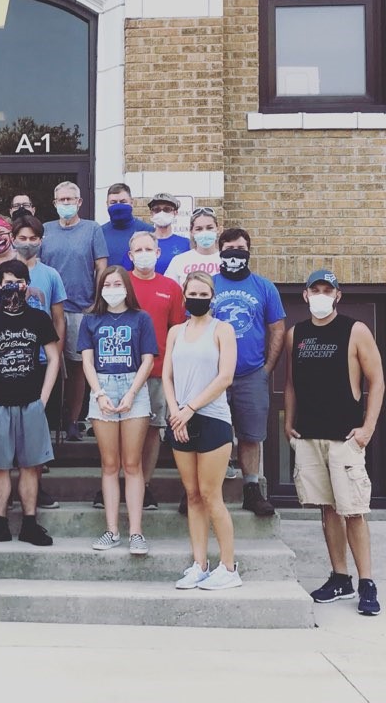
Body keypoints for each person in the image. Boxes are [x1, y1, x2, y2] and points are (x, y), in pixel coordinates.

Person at [284, 270, 383, 615]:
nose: (322, 294)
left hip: (346, 436)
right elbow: (292, 383)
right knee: (327, 509)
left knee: (353, 510)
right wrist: (289, 422)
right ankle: (339, 577)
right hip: (310, 436)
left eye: (329, 289)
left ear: (338, 295)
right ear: (306, 294)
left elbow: (377, 380)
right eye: (316, 289)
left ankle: (367, 582)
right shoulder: (295, 334)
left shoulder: (355, 330)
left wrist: (367, 428)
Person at [0, 261, 60, 546]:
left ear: (26, 284)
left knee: (31, 466)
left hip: (31, 401)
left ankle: (30, 524)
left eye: (19, 281)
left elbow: (54, 358)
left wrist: (44, 398)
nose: (13, 287)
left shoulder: (38, 319)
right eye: (7, 282)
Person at [163, 271, 241, 590]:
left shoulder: (223, 329)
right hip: (180, 420)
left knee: (211, 495)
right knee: (192, 495)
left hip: (212, 419)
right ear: (184, 298)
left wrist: (190, 408)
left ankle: (229, 566)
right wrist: (175, 412)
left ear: (212, 296)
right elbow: (166, 376)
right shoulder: (175, 332)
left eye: (203, 293)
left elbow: (225, 377)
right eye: (191, 293)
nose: (197, 297)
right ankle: (199, 564)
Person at [79, 266, 157, 554]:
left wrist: (132, 392)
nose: (112, 288)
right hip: (102, 388)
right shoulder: (91, 320)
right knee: (110, 464)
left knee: (132, 464)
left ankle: (136, 532)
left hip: (133, 386)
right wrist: (98, 394)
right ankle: (112, 531)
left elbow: (148, 359)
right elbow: (87, 361)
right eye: (107, 283)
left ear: (127, 286)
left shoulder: (141, 318)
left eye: (117, 283)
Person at [212, 227, 285, 517]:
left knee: (251, 435)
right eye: (229, 248)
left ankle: (252, 490)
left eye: (240, 248)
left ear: (249, 251)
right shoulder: (209, 284)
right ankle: (206, 491)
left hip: (250, 373)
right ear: (220, 251)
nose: (234, 253)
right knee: (212, 433)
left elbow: (277, 328)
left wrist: (266, 368)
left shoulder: (264, 287)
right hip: (214, 375)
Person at [39, 181, 108, 441]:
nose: (65, 204)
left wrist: (97, 300)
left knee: (78, 366)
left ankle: (72, 420)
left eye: (70, 199)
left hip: (81, 308)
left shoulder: (92, 229)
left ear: (79, 202)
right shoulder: (45, 230)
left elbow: (101, 266)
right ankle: (48, 419)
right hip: (49, 309)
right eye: (61, 200)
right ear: (54, 202)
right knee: (49, 364)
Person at [126, 232, 186, 510]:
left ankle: (145, 485)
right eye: (138, 249)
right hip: (122, 371)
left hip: (159, 371)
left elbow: (177, 330)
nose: (143, 253)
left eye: (148, 248)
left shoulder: (172, 288)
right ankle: (118, 483)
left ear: (158, 253)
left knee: (152, 430)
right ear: (130, 256)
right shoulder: (121, 283)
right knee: (120, 430)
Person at [126, 192, 190, 274]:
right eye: (157, 210)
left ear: (175, 212)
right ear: (151, 213)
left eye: (167, 209)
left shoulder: (185, 243)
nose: (161, 213)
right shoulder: (141, 242)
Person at [164, 207, 222, 286]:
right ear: (191, 232)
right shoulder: (179, 261)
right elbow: (169, 290)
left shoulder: (226, 259)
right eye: (199, 229)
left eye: (209, 228)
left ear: (218, 229)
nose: (204, 232)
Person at [101, 183, 154, 266]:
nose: (118, 206)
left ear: (132, 203)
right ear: (107, 204)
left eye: (123, 202)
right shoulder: (99, 233)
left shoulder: (147, 231)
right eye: (113, 202)